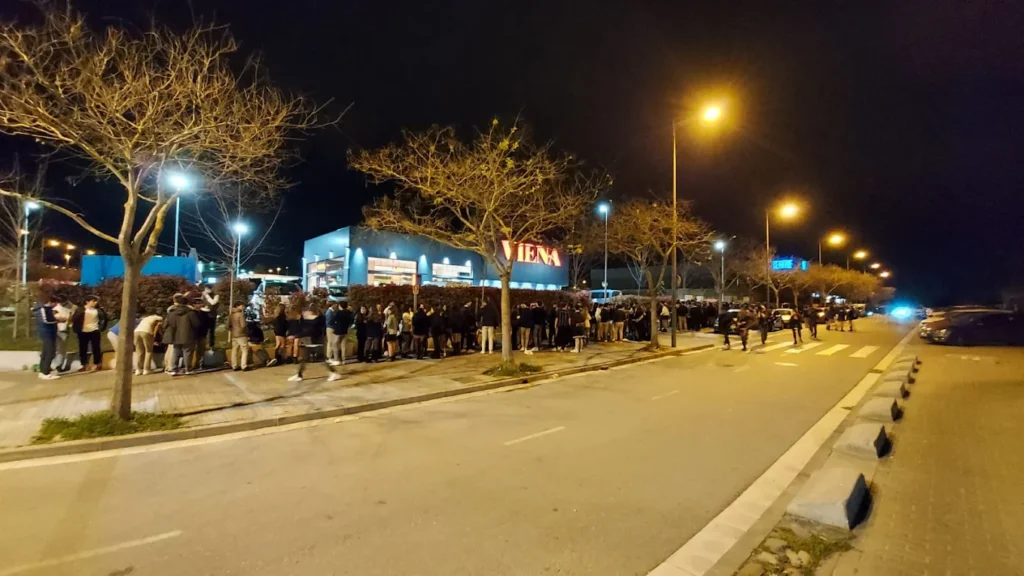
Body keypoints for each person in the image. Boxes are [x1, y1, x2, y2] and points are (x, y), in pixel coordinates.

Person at [288, 303, 341, 383]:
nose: (304, 314)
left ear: (310, 312)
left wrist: (296, 336)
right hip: (310, 341)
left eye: (305, 312)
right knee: (305, 359)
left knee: (321, 358)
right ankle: (299, 375)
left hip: (316, 341)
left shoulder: (317, 321)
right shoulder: (309, 320)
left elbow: (309, 331)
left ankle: (334, 373)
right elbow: (304, 328)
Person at [164, 295, 201, 376]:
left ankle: (174, 369)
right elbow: (196, 324)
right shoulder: (190, 312)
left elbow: (166, 324)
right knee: (187, 352)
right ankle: (188, 369)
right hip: (188, 335)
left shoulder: (171, 313)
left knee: (176, 352)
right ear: (187, 303)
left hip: (175, 335)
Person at [72, 295, 107, 372]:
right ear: (87, 302)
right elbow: (75, 319)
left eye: (96, 301)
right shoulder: (80, 310)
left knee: (96, 348)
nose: (95, 302)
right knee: (83, 349)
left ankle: (96, 364)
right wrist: (77, 329)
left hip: (95, 330)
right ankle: (84, 365)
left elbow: (104, 319)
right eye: (93, 301)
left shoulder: (98, 310)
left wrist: (101, 328)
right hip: (83, 331)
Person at [36, 296, 62, 380]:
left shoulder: (49, 309)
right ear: (51, 302)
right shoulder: (43, 309)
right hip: (46, 333)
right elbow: (45, 320)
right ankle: (45, 372)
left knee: (46, 352)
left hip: (51, 333)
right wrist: (57, 320)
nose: (56, 305)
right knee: (50, 352)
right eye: (55, 303)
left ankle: (42, 371)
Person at [134, 307, 162, 375]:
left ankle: (138, 369)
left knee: (139, 351)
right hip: (146, 332)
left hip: (136, 332)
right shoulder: (157, 317)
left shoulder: (145, 318)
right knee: (148, 351)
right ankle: (146, 369)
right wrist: (154, 334)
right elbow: (158, 324)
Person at [53, 297, 73, 373]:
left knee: (62, 349)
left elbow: (69, 317)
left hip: (64, 329)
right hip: (57, 329)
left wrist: (68, 319)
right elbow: (53, 317)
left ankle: (58, 365)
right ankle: (54, 365)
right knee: (56, 348)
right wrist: (62, 319)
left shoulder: (69, 307)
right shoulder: (56, 308)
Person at [228, 301, 249, 371]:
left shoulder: (231, 315)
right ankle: (244, 365)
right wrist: (245, 332)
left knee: (234, 350)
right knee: (245, 349)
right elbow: (243, 325)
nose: (243, 307)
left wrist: (232, 330)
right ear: (237, 306)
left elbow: (228, 325)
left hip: (234, 334)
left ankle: (234, 365)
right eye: (242, 306)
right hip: (241, 334)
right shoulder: (240, 314)